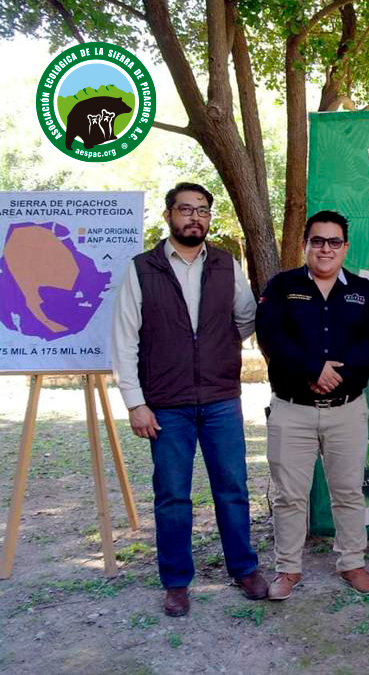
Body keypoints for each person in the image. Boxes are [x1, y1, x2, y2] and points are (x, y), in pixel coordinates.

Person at [111, 182, 267, 617]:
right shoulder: (142, 269)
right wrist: (135, 402)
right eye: (186, 209)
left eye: (202, 210)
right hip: (166, 404)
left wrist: (213, 347)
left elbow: (247, 315)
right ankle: (176, 581)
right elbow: (124, 339)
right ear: (168, 216)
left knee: (233, 488)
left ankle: (244, 568)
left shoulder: (225, 264)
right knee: (173, 495)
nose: (194, 217)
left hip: (220, 398)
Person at [256, 210, 369, 600]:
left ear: (345, 247)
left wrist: (338, 376)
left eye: (333, 242)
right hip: (291, 409)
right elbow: (271, 338)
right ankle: (288, 569)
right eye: (318, 241)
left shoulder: (366, 293)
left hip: (346, 409)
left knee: (348, 491)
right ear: (305, 245)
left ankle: (352, 562)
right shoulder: (282, 287)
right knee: (289, 496)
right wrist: (313, 368)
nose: (325, 248)